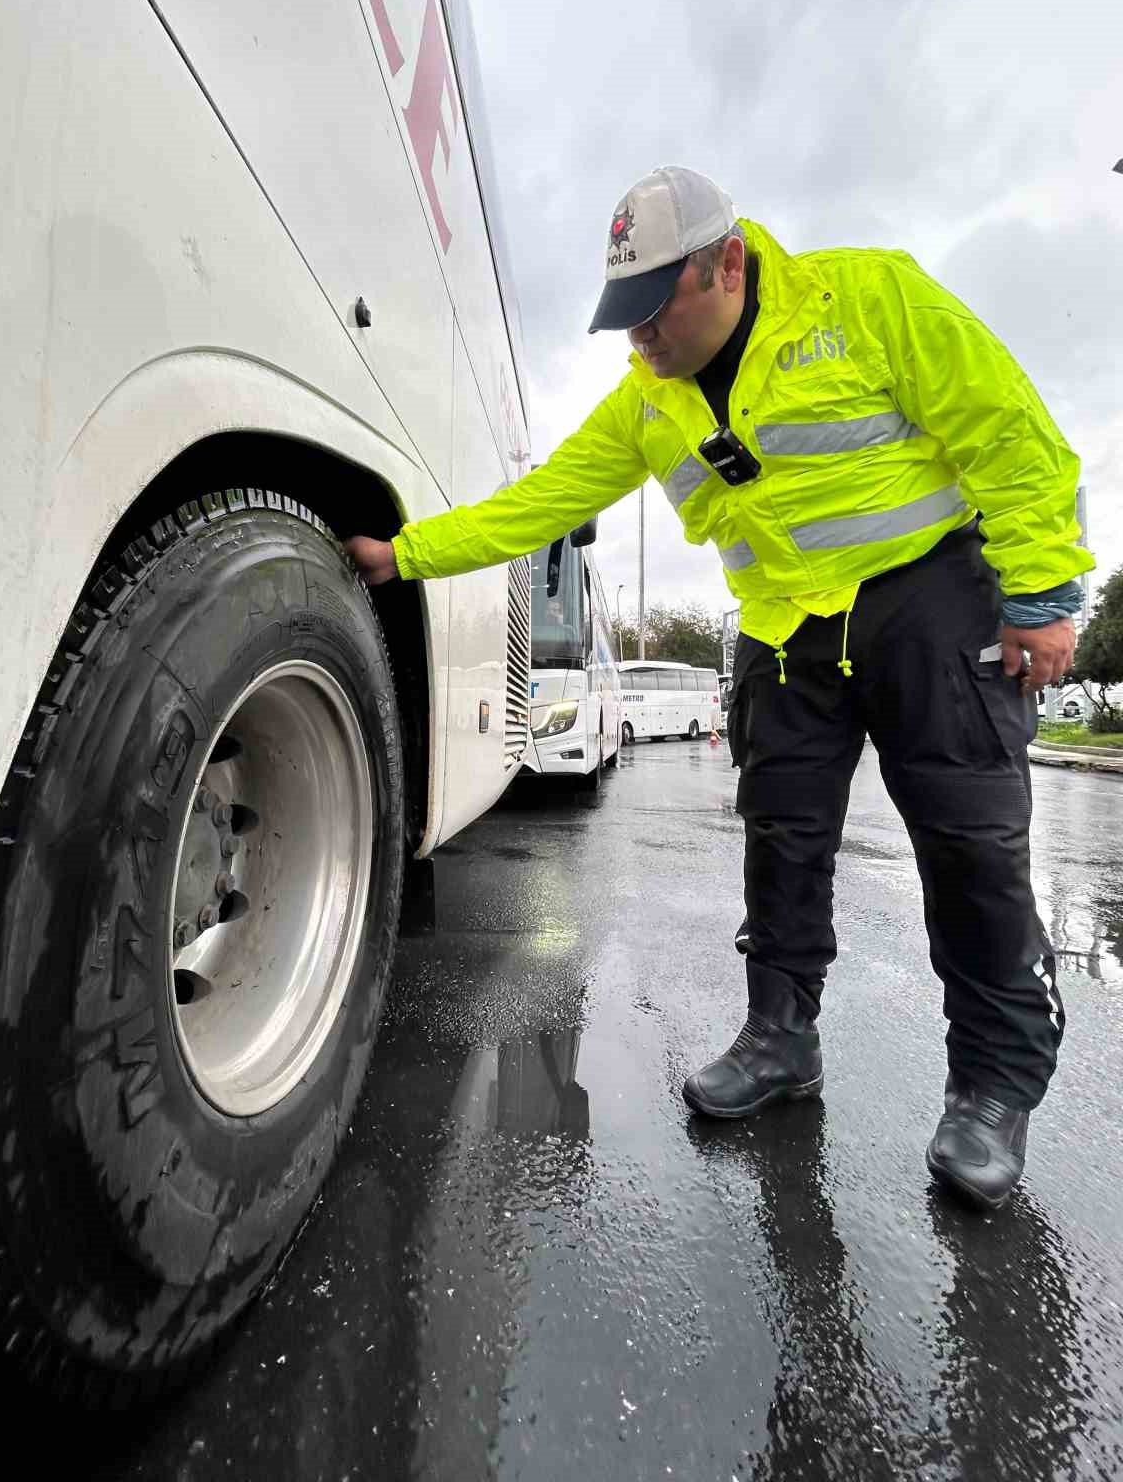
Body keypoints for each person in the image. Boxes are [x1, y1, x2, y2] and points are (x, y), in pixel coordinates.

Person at [346, 166, 1094, 1212]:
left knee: (970, 844)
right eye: (627, 322)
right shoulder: (645, 404)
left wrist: (1041, 590)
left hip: (928, 601)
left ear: (727, 264)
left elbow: (1005, 428)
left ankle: (993, 1085)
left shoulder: (866, 299)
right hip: (785, 628)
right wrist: (406, 554)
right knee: (781, 842)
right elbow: (537, 503)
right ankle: (780, 1037)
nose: (641, 341)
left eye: (657, 312)